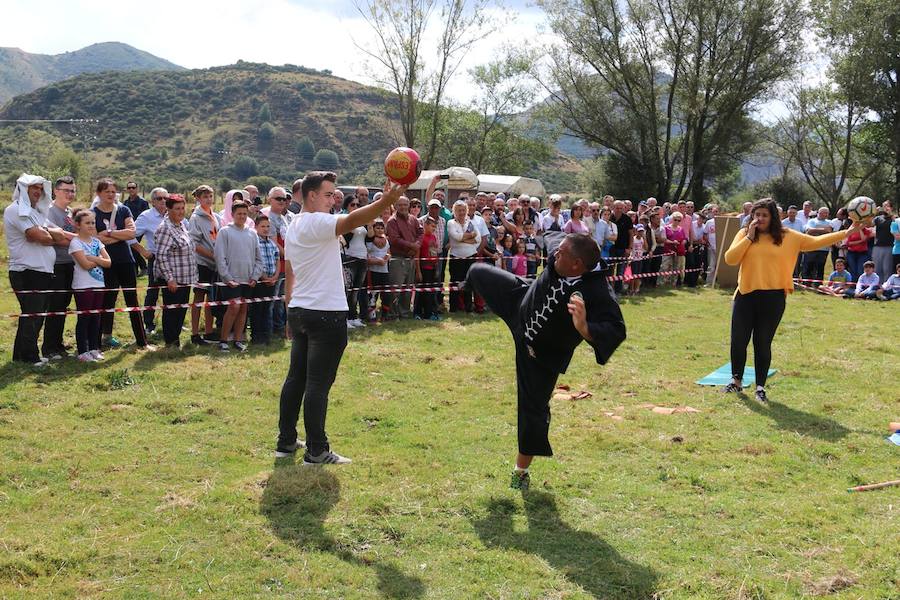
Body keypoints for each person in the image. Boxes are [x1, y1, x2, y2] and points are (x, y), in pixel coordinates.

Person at [465, 234, 626, 490]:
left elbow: (616, 329)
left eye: (561, 254)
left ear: (576, 264)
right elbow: (550, 237)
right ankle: (460, 299)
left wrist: (584, 327)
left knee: (533, 413)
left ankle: (520, 472)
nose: (554, 255)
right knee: (478, 272)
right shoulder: (561, 251)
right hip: (521, 304)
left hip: (540, 356)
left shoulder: (596, 291)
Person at [276, 171, 406, 464]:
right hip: (325, 313)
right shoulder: (317, 221)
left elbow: (290, 271)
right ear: (311, 196)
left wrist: (289, 311)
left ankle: (285, 441)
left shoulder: (294, 224)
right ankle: (317, 450)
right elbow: (354, 220)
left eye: (334, 193)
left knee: (297, 378)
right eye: (327, 194)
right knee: (318, 384)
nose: (333, 198)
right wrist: (388, 199)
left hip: (301, 310)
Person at [723, 198, 863, 402]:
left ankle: (760, 387)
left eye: (764, 215)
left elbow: (816, 242)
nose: (759, 219)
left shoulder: (788, 236)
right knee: (738, 341)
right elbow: (730, 259)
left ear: (773, 218)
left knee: (762, 343)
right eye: (756, 215)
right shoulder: (744, 233)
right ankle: (736, 381)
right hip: (745, 296)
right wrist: (749, 238)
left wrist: (848, 232)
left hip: (773, 298)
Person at [4, 174, 68, 366]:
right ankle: (30, 358)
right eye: (34, 188)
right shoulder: (15, 210)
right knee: (33, 315)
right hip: (27, 271)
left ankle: (20, 356)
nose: (38, 191)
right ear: (23, 189)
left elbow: (58, 233)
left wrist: (47, 233)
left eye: (40, 188)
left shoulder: (38, 212)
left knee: (33, 315)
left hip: (42, 271)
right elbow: (39, 236)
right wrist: (47, 234)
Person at [93, 178, 150, 350]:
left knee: (132, 301)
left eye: (113, 191)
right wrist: (118, 235)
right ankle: (101, 340)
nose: (111, 195)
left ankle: (142, 342)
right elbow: (95, 238)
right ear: (99, 194)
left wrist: (109, 233)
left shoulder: (123, 210)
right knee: (106, 302)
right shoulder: (92, 213)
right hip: (106, 263)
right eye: (107, 191)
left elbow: (131, 233)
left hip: (126, 261)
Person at [214, 201, 263, 352]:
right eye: (239, 214)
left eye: (244, 213)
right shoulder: (225, 231)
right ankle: (223, 340)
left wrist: (255, 277)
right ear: (232, 215)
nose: (242, 216)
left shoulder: (252, 233)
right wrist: (227, 277)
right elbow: (219, 257)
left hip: (248, 280)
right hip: (232, 280)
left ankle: (238, 339)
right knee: (233, 307)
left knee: (243, 309)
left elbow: (258, 259)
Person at [152, 195, 197, 348]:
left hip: (185, 278)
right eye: (177, 208)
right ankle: (171, 343)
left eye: (183, 208)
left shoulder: (181, 224)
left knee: (180, 311)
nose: (181, 211)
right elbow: (161, 256)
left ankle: (175, 340)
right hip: (173, 279)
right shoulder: (165, 228)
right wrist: (170, 279)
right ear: (168, 209)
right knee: (172, 312)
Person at [68, 209, 111, 362]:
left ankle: (93, 348)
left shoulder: (97, 242)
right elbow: (85, 265)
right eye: (87, 223)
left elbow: (108, 262)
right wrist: (98, 259)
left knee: (96, 318)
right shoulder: (75, 243)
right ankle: (82, 351)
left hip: (99, 284)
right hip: (83, 286)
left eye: (93, 222)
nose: (91, 225)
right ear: (78, 225)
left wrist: (93, 257)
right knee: (84, 318)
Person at [43, 176, 78, 359]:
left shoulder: (71, 213)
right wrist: (78, 242)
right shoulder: (49, 211)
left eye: (73, 190)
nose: (70, 194)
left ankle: (58, 344)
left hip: (71, 263)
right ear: (56, 191)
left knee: (63, 305)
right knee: (55, 306)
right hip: (56, 264)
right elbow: (57, 238)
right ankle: (49, 348)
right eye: (66, 190)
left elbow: (73, 237)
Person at [132, 187, 169, 335]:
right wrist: (142, 251)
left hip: (173, 260)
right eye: (159, 198)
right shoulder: (146, 216)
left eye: (166, 198)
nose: (163, 201)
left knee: (171, 292)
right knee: (153, 292)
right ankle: (148, 323)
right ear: (153, 202)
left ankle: (170, 321)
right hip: (156, 258)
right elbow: (130, 236)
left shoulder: (173, 214)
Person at [188, 185, 222, 345]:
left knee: (211, 297)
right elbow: (194, 243)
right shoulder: (195, 218)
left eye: (210, 196)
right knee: (199, 297)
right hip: (202, 262)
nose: (208, 199)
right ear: (198, 198)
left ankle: (209, 331)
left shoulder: (215, 216)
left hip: (215, 264)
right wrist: (212, 255)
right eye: (205, 196)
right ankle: (195, 333)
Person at [385, 196, 423, 319]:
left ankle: (405, 312)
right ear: (395, 206)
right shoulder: (392, 221)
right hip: (398, 258)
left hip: (411, 258)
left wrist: (417, 244)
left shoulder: (413, 219)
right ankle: (393, 313)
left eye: (405, 205)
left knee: (407, 288)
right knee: (396, 288)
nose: (403, 207)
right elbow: (395, 239)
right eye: (400, 205)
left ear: (408, 206)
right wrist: (412, 245)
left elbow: (420, 233)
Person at [262, 187, 292, 337]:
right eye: (278, 198)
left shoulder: (284, 218)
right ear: (270, 200)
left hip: (286, 263)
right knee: (273, 299)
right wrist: (290, 256)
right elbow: (274, 244)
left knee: (282, 298)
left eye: (284, 198)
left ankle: (280, 327)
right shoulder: (269, 218)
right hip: (276, 264)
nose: (282, 201)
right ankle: (271, 329)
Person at [250, 214, 281, 345]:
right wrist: (263, 277)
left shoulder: (272, 243)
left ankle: (266, 334)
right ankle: (256, 335)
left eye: (268, 226)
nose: (266, 229)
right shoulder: (254, 242)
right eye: (262, 226)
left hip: (272, 281)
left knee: (267, 308)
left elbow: (277, 260)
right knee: (257, 308)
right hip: (260, 281)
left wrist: (275, 276)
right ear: (256, 227)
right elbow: (254, 261)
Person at [340, 194, 370, 329]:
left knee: (356, 290)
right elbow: (345, 240)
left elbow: (369, 238)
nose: (356, 207)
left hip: (362, 257)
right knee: (347, 289)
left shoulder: (361, 221)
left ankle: (353, 316)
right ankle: (344, 318)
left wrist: (369, 224)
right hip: (350, 258)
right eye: (353, 205)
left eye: (358, 205)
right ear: (347, 206)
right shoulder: (344, 220)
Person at [447, 200, 481, 313]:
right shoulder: (451, 223)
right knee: (455, 282)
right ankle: (453, 308)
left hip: (471, 256)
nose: (461, 212)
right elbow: (456, 238)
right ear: (454, 211)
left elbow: (478, 239)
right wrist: (470, 236)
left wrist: (463, 239)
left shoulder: (471, 222)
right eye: (459, 210)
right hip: (456, 257)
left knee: (469, 282)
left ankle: (468, 307)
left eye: (463, 210)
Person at [415, 216, 440, 320]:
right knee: (421, 292)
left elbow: (434, 253)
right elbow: (417, 255)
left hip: (432, 268)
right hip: (424, 268)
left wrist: (436, 267)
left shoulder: (434, 237)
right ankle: (417, 313)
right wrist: (418, 271)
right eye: (432, 226)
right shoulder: (421, 238)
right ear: (425, 225)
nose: (434, 228)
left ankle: (429, 313)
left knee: (430, 293)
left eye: (435, 227)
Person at [801, 207, 834, 287]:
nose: (825, 214)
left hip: (824, 249)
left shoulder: (830, 222)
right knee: (809, 265)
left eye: (827, 213)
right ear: (819, 213)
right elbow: (809, 231)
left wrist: (817, 230)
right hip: (812, 247)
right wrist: (824, 230)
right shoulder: (812, 221)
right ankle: (807, 283)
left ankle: (818, 284)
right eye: (823, 213)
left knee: (820, 267)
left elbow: (830, 231)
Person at [366, 220, 391, 321]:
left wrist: (386, 258)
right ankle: (372, 315)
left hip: (385, 271)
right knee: (373, 294)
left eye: (382, 228)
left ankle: (384, 315)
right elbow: (366, 256)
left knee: (386, 294)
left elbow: (389, 252)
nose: (380, 230)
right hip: (373, 271)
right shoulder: (370, 241)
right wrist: (376, 261)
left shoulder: (386, 240)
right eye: (377, 228)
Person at [123, 182, 149, 274]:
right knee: (131, 247)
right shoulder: (125, 202)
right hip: (129, 229)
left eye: (133, 187)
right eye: (129, 188)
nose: (131, 189)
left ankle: (142, 267)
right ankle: (139, 268)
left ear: (137, 189)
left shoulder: (143, 202)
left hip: (140, 229)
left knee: (133, 246)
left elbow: (147, 216)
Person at [609, 200, 633, 294]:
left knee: (621, 271)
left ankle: (618, 290)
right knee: (610, 270)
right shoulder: (609, 217)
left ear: (623, 208)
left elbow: (631, 234)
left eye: (621, 208)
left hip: (623, 248)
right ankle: (609, 290)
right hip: (611, 248)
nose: (619, 210)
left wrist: (629, 248)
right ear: (613, 208)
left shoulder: (627, 219)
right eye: (617, 208)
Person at [872, 202, 895, 281]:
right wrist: (873, 213)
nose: (885, 208)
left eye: (887, 206)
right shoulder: (878, 218)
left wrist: (891, 215)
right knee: (877, 269)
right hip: (877, 247)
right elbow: (869, 224)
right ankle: (877, 287)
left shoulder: (894, 218)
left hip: (889, 246)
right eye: (884, 206)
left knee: (887, 269)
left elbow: (897, 225)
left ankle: (886, 289)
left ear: (891, 208)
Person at [628, 224, 647, 295]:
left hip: (640, 259)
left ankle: (636, 289)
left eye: (642, 231)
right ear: (636, 231)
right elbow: (630, 248)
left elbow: (646, 248)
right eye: (639, 231)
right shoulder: (633, 239)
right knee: (633, 275)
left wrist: (644, 239)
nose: (641, 233)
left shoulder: (642, 239)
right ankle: (631, 289)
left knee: (638, 275)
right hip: (634, 260)